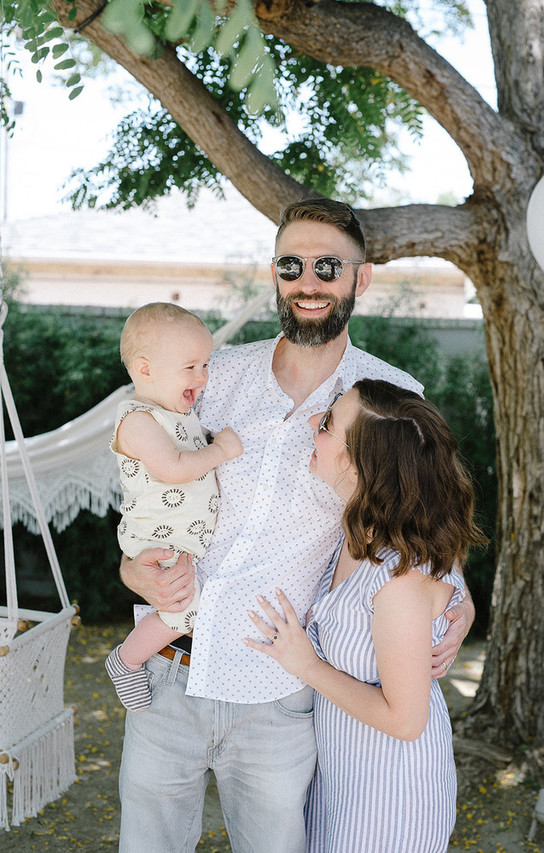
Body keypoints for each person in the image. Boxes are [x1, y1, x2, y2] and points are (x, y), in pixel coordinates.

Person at [118, 199, 475, 853]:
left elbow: (424, 515)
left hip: (278, 693)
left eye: (327, 266)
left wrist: (459, 594)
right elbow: (141, 500)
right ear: (275, 273)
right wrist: (133, 568)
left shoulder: (391, 393)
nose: (307, 281)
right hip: (170, 670)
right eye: (292, 264)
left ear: (360, 280)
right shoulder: (211, 377)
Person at [246, 379, 488, 852]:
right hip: (345, 778)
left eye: (329, 423)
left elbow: (405, 722)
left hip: (389, 800)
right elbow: (444, 568)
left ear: (357, 464)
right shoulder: (365, 530)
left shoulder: (399, 581)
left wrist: (307, 666)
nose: (315, 423)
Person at [105, 302, 243, 711]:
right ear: (146, 370)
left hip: (180, 540)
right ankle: (127, 660)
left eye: (205, 364)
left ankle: (132, 656)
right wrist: (221, 450)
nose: (202, 377)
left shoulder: (176, 414)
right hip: (156, 539)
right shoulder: (138, 420)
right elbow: (173, 468)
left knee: (186, 607)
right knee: (186, 613)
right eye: (190, 367)